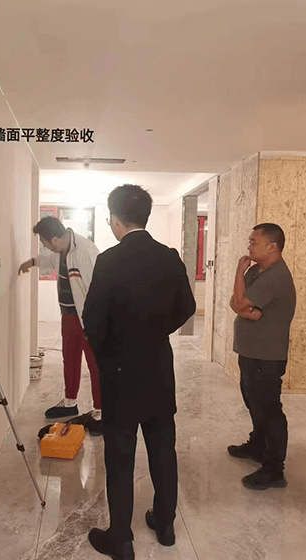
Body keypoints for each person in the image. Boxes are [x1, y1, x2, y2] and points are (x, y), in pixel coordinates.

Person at [82, 185, 196, 560]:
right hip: (159, 368)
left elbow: (92, 321)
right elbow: (187, 307)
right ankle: (165, 525)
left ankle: (121, 538)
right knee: (163, 448)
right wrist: (156, 331)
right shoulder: (169, 257)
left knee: (120, 454)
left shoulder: (109, 260)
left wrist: (108, 353)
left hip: (120, 373)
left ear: (115, 219)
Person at [18, 216, 102, 435]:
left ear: (54, 239)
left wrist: (97, 322)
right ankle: (70, 402)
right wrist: (31, 262)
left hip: (88, 318)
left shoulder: (85, 251)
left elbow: (99, 287)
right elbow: (46, 260)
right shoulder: (60, 251)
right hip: (68, 315)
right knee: (70, 359)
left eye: (44, 243)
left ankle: (101, 411)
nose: (45, 247)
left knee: (95, 364)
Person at [228, 223, 296, 490]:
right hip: (250, 352)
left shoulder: (276, 276)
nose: (249, 245)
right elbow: (235, 301)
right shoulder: (257, 271)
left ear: (272, 246)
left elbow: (240, 302)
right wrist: (244, 307)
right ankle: (258, 445)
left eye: (254, 241)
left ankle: (274, 469)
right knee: (253, 402)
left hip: (267, 356)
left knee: (269, 410)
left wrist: (238, 274)